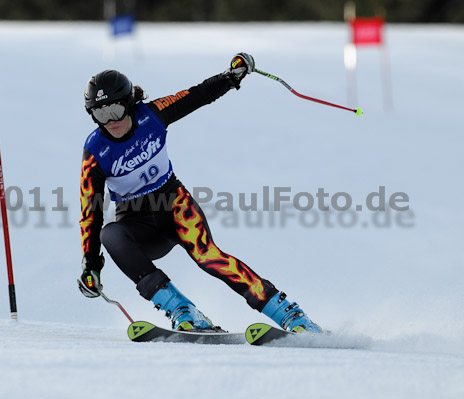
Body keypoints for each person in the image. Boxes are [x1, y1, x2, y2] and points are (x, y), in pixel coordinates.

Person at [77, 53, 322, 333]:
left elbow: (198, 94)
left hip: (175, 207)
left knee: (208, 256)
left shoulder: (152, 115)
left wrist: (231, 77)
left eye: (115, 111)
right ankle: (182, 309)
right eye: (100, 114)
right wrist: (91, 265)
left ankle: (291, 315)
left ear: (130, 103)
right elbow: (90, 213)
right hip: (138, 224)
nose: (110, 121)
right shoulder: (96, 152)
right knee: (110, 234)